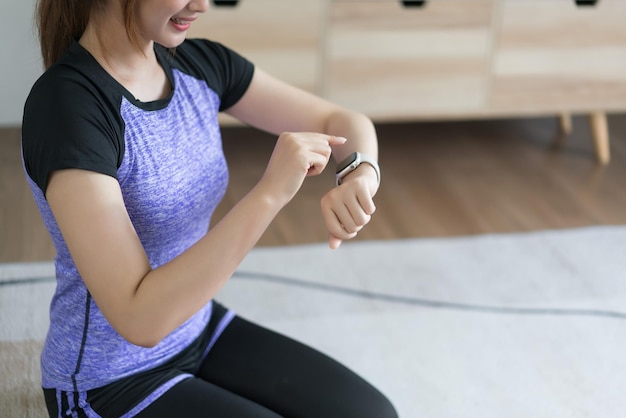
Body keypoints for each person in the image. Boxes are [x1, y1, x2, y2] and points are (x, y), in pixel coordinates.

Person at [22, 0, 397, 417]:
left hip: (197, 329)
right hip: (108, 382)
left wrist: (360, 175)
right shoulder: (69, 108)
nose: (202, 3)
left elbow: (339, 120)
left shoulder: (197, 65)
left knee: (372, 413)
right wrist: (270, 192)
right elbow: (138, 319)